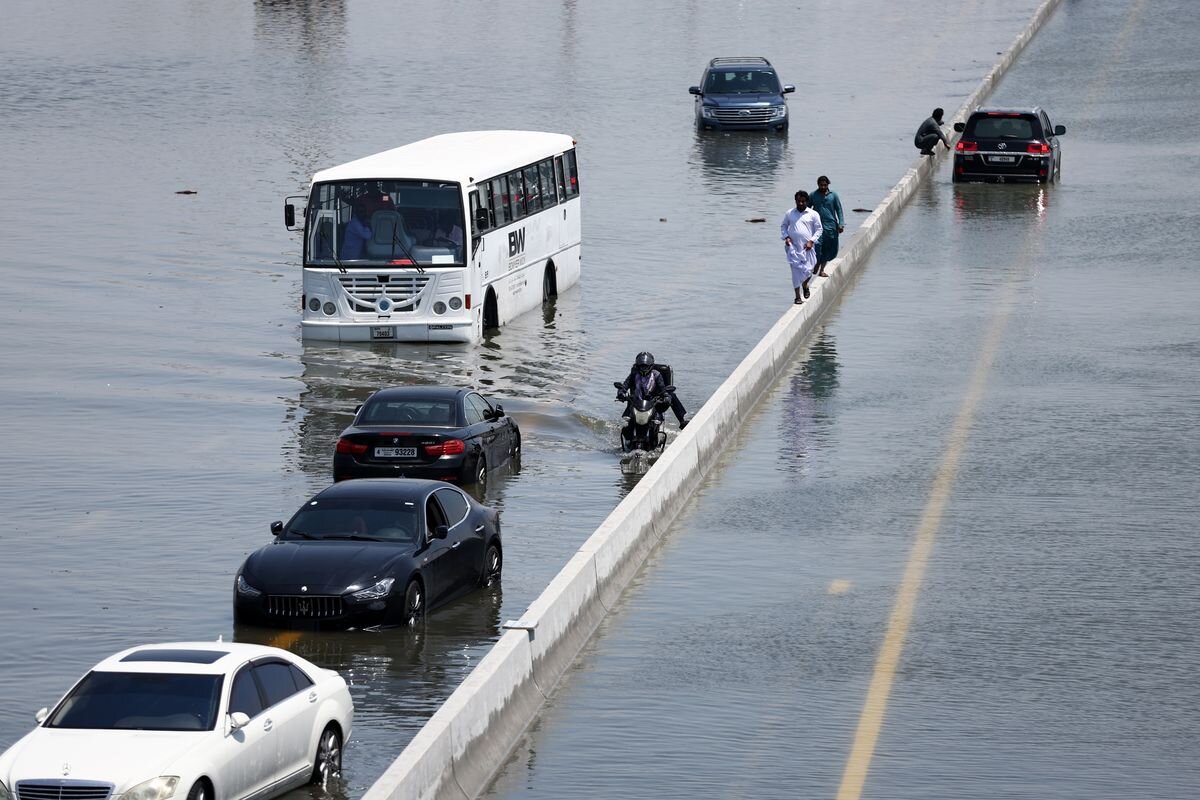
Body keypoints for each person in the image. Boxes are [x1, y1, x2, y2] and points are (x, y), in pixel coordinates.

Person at [619, 351, 689, 429]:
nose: (643, 368)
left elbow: (662, 389)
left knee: (672, 395)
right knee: (625, 426)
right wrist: (621, 392)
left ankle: (682, 421)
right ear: (637, 366)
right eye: (641, 366)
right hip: (636, 404)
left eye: (645, 366)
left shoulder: (656, 375)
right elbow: (625, 385)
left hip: (654, 403)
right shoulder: (634, 374)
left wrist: (666, 396)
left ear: (651, 366)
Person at [780, 190, 823, 304]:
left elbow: (819, 229)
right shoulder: (790, 213)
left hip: (808, 248)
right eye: (798, 201)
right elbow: (783, 226)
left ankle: (805, 284)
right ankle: (797, 297)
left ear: (807, 201)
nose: (800, 203)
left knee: (810, 269)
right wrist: (786, 237)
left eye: (803, 201)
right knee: (795, 272)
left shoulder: (813, 214)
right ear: (795, 201)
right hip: (793, 248)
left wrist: (811, 241)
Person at [809, 176, 844, 278]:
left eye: (825, 185)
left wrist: (841, 224)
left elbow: (839, 210)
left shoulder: (833, 196)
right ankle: (817, 263)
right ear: (818, 185)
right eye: (821, 185)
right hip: (817, 227)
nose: (823, 187)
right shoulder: (813, 195)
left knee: (828, 249)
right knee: (818, 247)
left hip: (831, 227)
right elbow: (807, 209)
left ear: (828, 184)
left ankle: (822, 270)